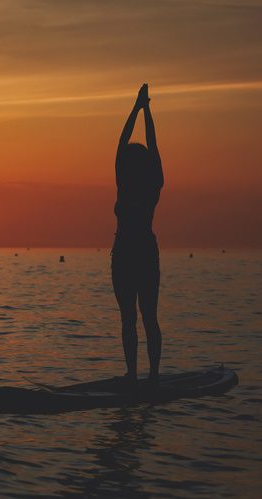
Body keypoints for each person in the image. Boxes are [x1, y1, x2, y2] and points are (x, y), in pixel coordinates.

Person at [113, 84, 164, 388]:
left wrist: (141, 109)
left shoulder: (150, 186)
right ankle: (134, 375)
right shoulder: (131, 183)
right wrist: (141, 109)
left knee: (146, 317)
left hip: (141, 255)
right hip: (124, 256)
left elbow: (149, 146)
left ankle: (152, 376)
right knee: (130, 319)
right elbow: (126, 145)